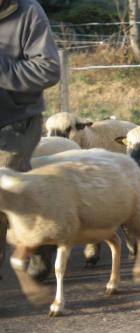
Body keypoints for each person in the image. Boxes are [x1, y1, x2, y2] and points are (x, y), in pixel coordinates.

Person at [0, 0, 60, 280]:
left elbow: (48, 69)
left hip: (16, 120)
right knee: (19, 193)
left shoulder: (28, 11)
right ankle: (40, 238)